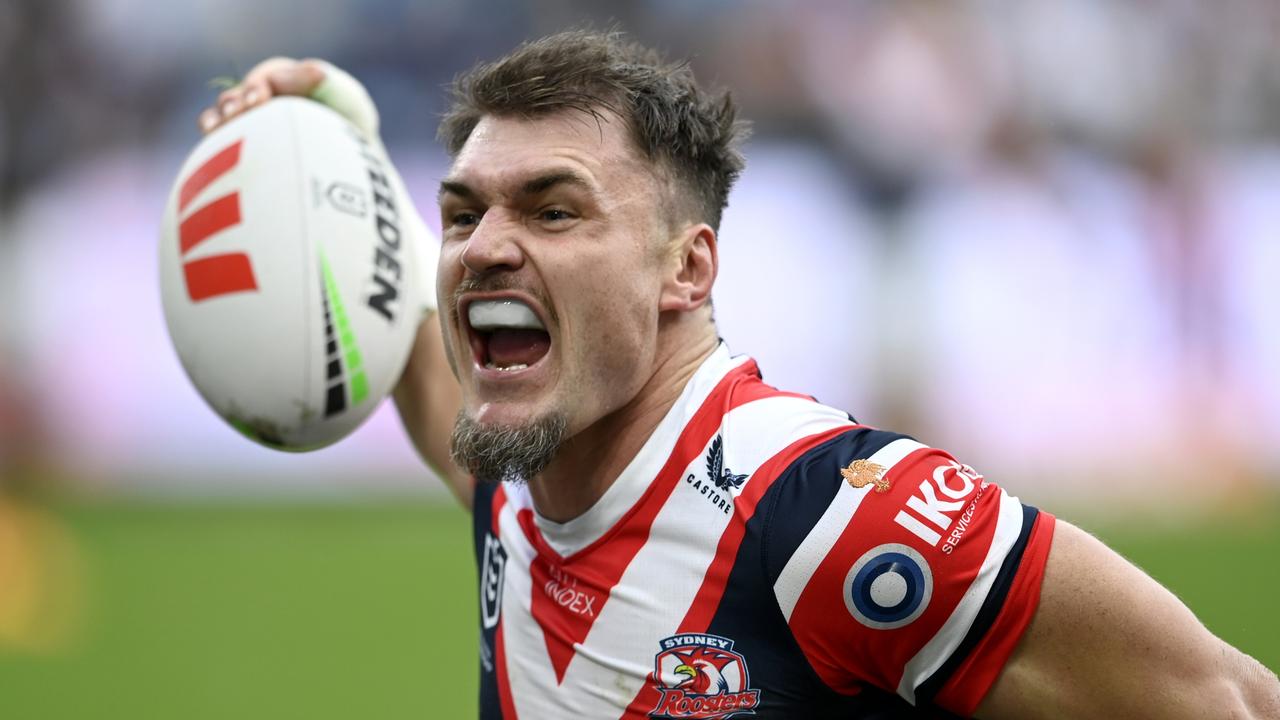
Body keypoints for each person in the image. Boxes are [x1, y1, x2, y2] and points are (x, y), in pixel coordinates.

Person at [198, 30, 1280, 720]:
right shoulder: (525, 485)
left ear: (686, 266)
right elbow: (414, 374)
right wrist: (333, 144)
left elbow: (1223, 700)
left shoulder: (829, 514)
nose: (482, 245)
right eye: (462, 211)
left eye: (552, 208)